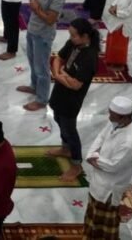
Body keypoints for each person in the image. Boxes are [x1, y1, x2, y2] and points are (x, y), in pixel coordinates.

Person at [48, 18, 100, 183]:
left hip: (72, 99)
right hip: (60, 92)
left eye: (73, 35)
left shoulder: (89, 57)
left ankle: (76, 165)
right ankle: (65, 148)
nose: (70, 38)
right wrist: (59, 74)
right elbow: (57, 59)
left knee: (70, 128)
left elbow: (76, 85)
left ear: (85, 36)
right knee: (57, 118)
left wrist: (60, 75)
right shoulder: (74, 43)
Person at [83, 96, 132, 238]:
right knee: (92, 219)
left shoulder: (130, 142)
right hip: (98, 181)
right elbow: (100, 138)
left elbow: (113, 166)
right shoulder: (115, 124)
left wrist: (94, 158)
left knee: (104, 226)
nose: (109, 117)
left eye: (112, 115)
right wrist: (92, 154)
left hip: (109, 189)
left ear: (124, 117)